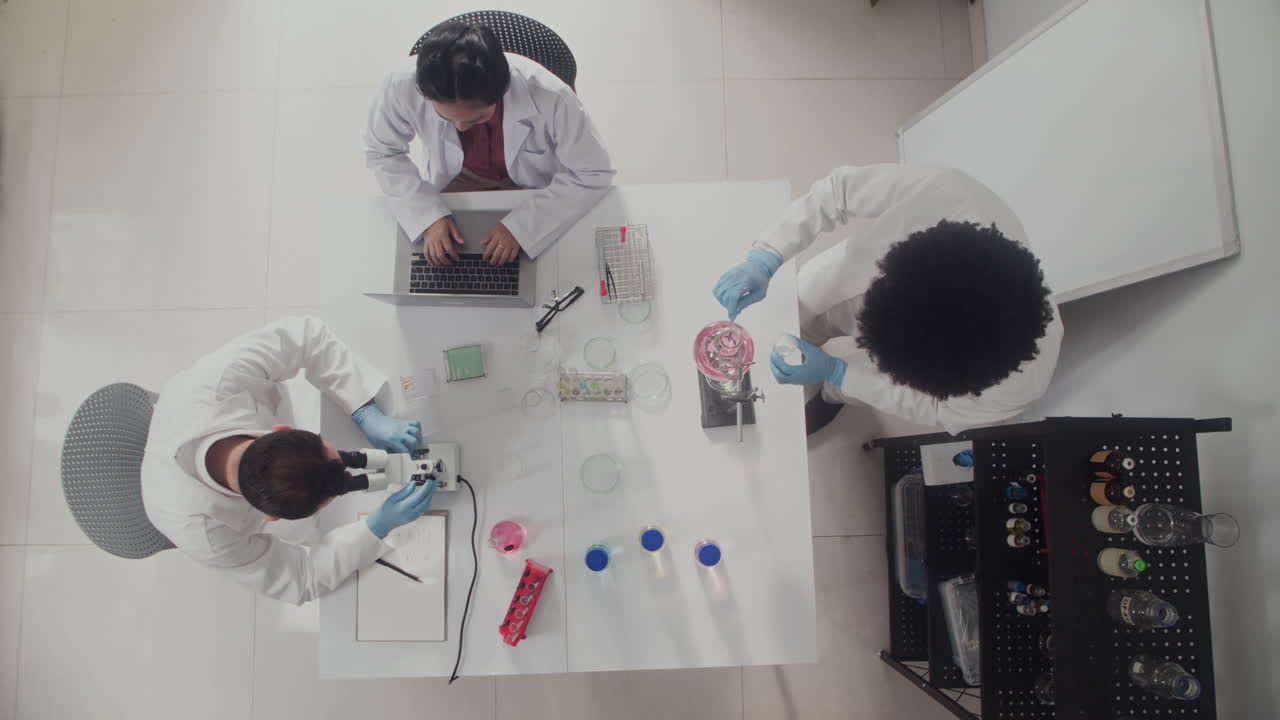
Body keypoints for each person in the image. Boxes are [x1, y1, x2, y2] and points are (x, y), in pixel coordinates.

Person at [713, 165, 1063, 436]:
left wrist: (840, 373)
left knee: (854, 383)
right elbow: (838, 193)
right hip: (840, 277)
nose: (862, 328)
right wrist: (767, 256)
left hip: (915, 355)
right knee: (792, 315)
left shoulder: (1017, 386)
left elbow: (933, 409)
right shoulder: (950, 194)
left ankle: (833, 395)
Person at [141, 316, 436, 605]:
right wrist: (374, 528)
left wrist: (363, 410)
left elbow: (307, 337)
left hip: (184, 411)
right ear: (271, 518)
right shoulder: (210, 538)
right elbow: (303, 579)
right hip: (168, 490)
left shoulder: (224, 379)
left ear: (282, 429)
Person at [364, 21, 615, 266]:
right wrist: (426, 217)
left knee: (543, 276)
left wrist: (523, 228)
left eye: (477, 119)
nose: (461, 128)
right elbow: (383, 152)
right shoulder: (401, 86)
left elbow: (594, 172)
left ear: (503, 89)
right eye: (445, 118)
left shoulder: (551, 94)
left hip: (531, 190)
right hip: (457, 186)